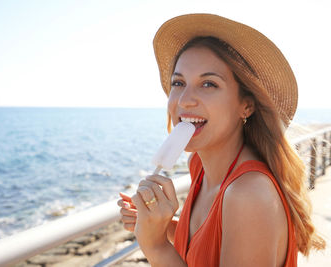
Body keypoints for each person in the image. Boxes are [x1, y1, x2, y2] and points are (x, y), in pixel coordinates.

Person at [117, 14, 326, 267]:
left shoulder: (249, 195)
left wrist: (156, 246)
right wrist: (158, 226)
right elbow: (207, 246)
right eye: (178, 82)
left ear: (246, 105)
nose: (184, 100)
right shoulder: (199, 166)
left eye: (208, 84)